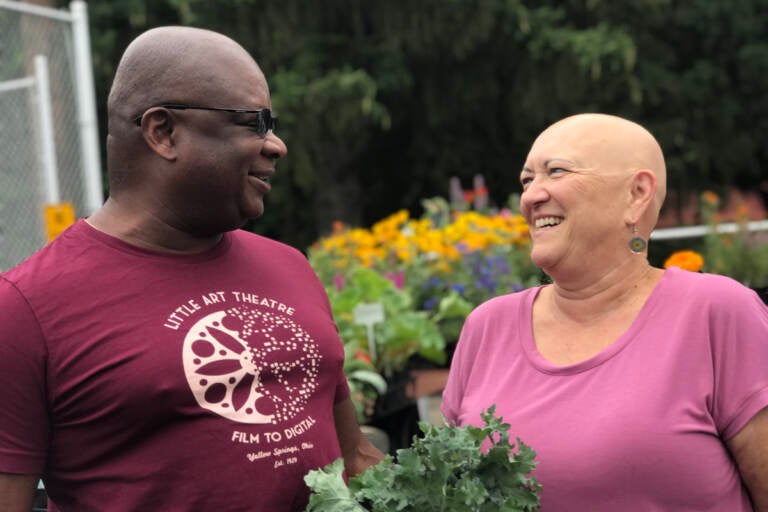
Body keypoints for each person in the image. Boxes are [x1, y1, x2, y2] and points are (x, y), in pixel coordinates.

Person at [0, 26, 383, 512]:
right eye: (254, 121)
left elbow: (357, 458)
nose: (276, 145)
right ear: (163, 132)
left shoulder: (290, 267)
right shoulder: (23, 308)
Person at [441, 113, 768, 511]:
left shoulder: (716, 312)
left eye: (555, 171)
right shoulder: (487, 326)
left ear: (637, 194)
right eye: (527, 180)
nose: (530, 197)